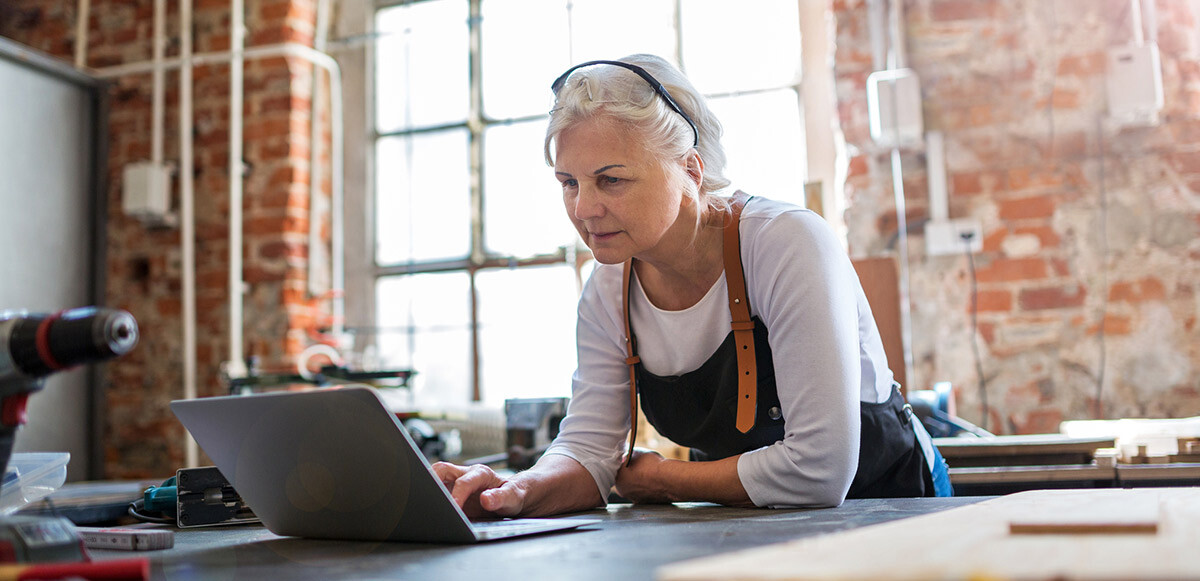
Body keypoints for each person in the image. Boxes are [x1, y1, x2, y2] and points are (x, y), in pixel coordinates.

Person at [432, 54, 952, 518]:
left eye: (611, 180)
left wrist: (663, 479)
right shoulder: (607, 289)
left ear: (691, 169)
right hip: (746, 528)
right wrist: (518, 490)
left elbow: (820, 470)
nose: (583, 209)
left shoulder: (786, 243)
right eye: (569, 183)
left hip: (892, 512)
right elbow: (590, 452)